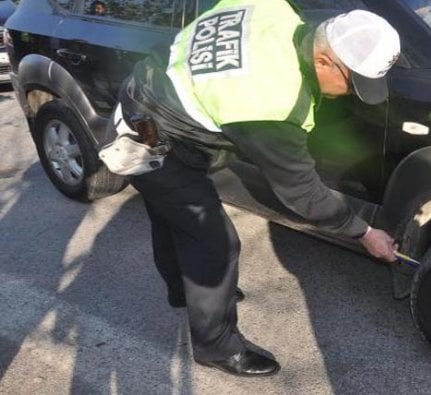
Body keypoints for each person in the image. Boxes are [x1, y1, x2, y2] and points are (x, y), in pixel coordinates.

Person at [113, 1, 401, 378]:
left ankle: (186, 291)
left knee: (171, 216)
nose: (351, 94)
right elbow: (302, 194)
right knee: (215, 243)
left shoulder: (272, 8)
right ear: (325, 60)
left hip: (145, 100)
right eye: (353, 83)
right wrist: (363, 232)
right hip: (155, 141)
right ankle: (215, 346)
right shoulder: (271, 101)